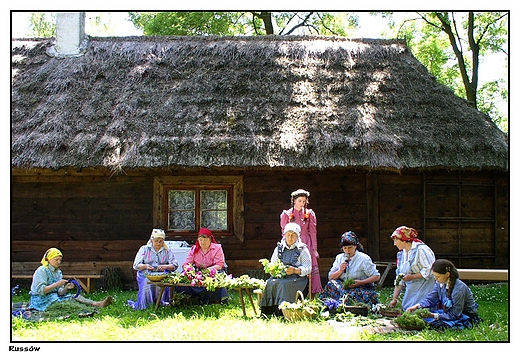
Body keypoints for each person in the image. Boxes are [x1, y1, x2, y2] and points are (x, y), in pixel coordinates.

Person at [28, 248, 112, 312]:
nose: (58, 262)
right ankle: (90, 307)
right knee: (67, 303)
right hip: (42, 300)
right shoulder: (42, 271)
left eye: (60, 260)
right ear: (49, 259)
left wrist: (66, 288)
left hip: (54, 296)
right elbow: (41, 291)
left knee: (75, 296)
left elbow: (60, 293)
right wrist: (57, 284)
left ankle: (96, 304)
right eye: (56, 259)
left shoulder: (58, 272)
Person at [407, 259, 482, 330]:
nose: (435, 279)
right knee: (421, 319)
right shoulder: (439, 283)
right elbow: (431, 298)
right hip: (448, 313)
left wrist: (433, 315)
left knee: (438, 325)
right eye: (434, 276)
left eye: (438, 276)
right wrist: (417, 306)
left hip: (463, 315)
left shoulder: (459, 290)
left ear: (447, 274)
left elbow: (455, 314)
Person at [259, 223, 312, 317]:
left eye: (293, 235)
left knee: (283, 285)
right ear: (284, 235)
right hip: (281, 276)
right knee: (270, 282)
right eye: (288, 235)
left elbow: (308, 267)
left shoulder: (302, 249)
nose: (290, 237)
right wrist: (274, 269)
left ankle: (283, 314)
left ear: (297, 236)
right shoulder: (279, 249)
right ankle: (268, 313)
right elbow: (273, 263)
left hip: (297, 279)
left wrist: (295, 270)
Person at [318, 231, 380, 306]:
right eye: (345, 248)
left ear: (355, 246)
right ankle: (333, 305)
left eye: (350, 247)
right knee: (331, 285)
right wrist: (340, 271)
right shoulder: (339, 257)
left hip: (361, 287)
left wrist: (361, 282)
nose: (347, 250)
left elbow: (376, 276)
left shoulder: (364, 258)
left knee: (352, 295)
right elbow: (331, 277)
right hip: (343, 287)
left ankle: (347, 304)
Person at [280, 189, 322, 296]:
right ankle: (293, 291)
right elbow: (284, 232)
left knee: (309, 266)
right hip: (293, 242)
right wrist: (284, 246)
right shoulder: (287, 214)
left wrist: (314, 249)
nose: (302, 204)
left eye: (304, 201)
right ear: (294, 200)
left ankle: (312, 294)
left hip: (307, 242)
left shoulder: (309, 214)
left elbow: (313, 232)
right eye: (300, 201)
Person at [128, 229, 178, 310]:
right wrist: (145, 266)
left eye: (161, 241)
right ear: (152, 240)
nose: (158, 243)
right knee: (146, 282)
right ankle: (146, 304)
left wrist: (165, 266)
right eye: (156, 241)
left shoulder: (167, 250)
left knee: (161, 282)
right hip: (146, 273)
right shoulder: (144, 249)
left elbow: (175, 265)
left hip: (162, 273)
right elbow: (136, 265)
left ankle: (161, 303)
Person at [175, 227, 229, 304]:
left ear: (210, 239)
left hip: (214, 270)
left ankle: (216, 299)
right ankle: (189, 299)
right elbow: (187, 263)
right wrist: (188, 269)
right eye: (200, 240)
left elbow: (219, 265)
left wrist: (207, 271)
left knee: (217, 278)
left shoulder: (217, 248)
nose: (202, 242)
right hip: (198, 271)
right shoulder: (194, 249)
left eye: (205, 240)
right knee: (183, 276)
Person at [388, 226, 436, 311]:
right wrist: (394, 299)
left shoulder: (421, 250)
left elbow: (430, 270)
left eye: (396, 240)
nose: (395, 244)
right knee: (407, 310)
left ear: (404, 240)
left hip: (426, 286)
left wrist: (412, 277)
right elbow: (399, 277)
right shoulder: (401, 254)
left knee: (421, 311)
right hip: (412, 288)